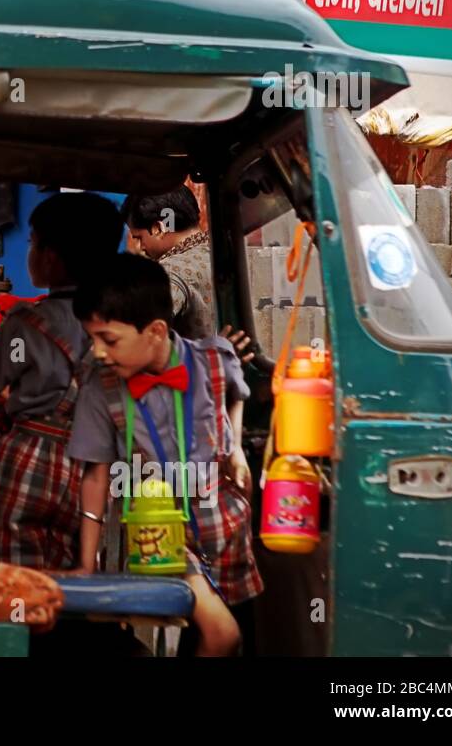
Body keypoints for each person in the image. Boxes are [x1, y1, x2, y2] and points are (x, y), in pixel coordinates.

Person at [69, 253, 262, 656]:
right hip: (158, 530)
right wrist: (87, 566)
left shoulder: (216, 357)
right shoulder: (99, 388)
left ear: (156, 331)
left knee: (228, 634)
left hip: (224, 521)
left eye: (108, 339)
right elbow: (96, 474)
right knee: (221, 633)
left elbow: (236, 394)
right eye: (92, 339)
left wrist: (236, 450)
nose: (98, 352)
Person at [0, 192, 125, 569]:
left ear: (50, 258)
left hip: (32, 457)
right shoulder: (125, 324)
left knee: (12, 568)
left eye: (31, 243)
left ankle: (20, 625)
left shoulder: (26, 323)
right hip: (99, 463)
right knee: (82, 571)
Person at [122, 186, 214, 340]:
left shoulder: (170, 270)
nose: (140, 247)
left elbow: (137, 332)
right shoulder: (224, 252)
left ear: (158, 228)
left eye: (139, 238)